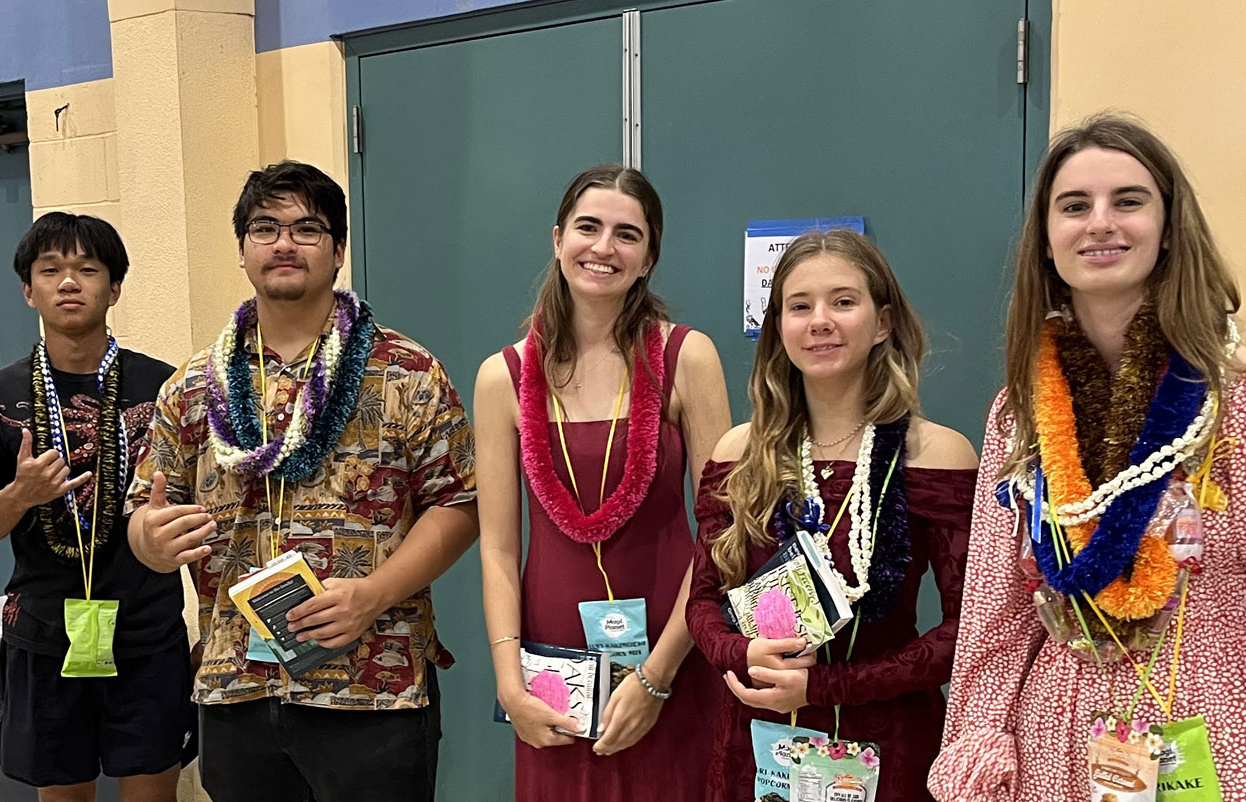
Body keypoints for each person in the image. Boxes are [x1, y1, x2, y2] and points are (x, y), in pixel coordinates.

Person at [127, 160, 479, 802]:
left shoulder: (405, 372)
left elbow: (460, 504)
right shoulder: (193, 385)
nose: (284, 243)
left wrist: (373, 593)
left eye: (307, 229)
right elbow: (147, 515)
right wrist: (149, 539)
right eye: (265, 228)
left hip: (374, 683)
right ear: (242, 250)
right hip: (236, 680)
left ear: (338, 251)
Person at [931, 114, 1246, 800]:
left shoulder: (1229, 401)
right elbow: (995, 610)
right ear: (1047, 241)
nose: (1100, 223)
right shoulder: (1019, 413)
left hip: (1209, 733)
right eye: (1075, 206)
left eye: (1128, 201)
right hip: (1055, 743)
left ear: (1168, 228)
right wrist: (979, 744)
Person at [685, 230, 978, 800]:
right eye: (800, 306)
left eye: (843, 301)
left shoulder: (938, 455)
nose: (820, 321)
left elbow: (967, 630)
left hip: (887, 748)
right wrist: (741, 653)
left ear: (883, 322)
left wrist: (827, 686)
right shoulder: (738, 454)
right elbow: (702, 601)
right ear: (778, 327)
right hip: (761, 743)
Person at [473, 164, 729, 800]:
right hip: (552, 669)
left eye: (627, 234)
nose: (604, 247)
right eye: (588, 227)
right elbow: (498, 548)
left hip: (675, 649)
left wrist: (656, 678)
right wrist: (509, 682)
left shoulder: (687, 357)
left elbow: (724, 534)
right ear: (558, 239)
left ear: (648, 259)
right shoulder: (502, 377)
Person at [0, 213, 190, 801]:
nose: (69, 282)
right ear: (28, 291)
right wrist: (19, 495)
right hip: (45, 632)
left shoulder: (166, 388)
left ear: (115, 287)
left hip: (147, 629)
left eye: (88, 269)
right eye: (50, 270)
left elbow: (203, 513)